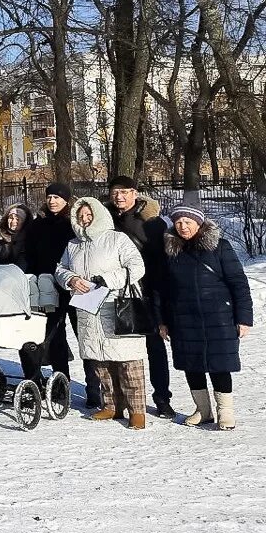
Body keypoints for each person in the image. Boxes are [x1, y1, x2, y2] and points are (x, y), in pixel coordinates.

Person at [160, 201, 253, 430]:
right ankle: (203, 411)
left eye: (187, 222)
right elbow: (161, 290)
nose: (182, 226)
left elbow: (238, 283)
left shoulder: (219, 247)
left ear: (199, 223)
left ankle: (225, 412)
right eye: (178, 222)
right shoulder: (171, 251)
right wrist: (162, 320)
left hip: (219, 317)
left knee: (220, 364)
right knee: (192, 365)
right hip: (182, 318)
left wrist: (244, 317)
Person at [56, 198, 148, 429]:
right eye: (80, 217)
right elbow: (60, 269)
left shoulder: (116, 239)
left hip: (116, 305)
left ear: (98, 215)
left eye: (89, 215)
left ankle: (137, 410)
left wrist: (107, 280)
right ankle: (111, 405)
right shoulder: (72, 245)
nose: (85, 220)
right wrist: (71, 279)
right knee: (100, 360)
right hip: (88, 307)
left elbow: (137, 267)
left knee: (127, 360)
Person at [105, 176, 174, 417]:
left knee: (154, 346)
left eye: (124, 192)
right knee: (119, 347)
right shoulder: (105, 219)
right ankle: (120, 398)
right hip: (115, 290)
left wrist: (161, 292)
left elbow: (162, 259)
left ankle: (162, 397)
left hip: (146, 290)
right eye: (115, 192)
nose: (119, 196)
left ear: (135, 193)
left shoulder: (151, 223)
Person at [24, 183, 93, 400]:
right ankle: (61, 384)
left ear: (66, 199)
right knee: (53, 338)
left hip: (76, 287)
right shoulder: (38, 225)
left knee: (85, 338)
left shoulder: (73, 223)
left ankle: (94, 389)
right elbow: (31, 255)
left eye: (57, 197)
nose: (52, 201)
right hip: (48, 286)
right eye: (50, 196)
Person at [0, 205, 31, 270]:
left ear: (24, 222)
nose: (13, 221)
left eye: (17, 219)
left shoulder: (29, 242)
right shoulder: (1, 244)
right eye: (10, 218)